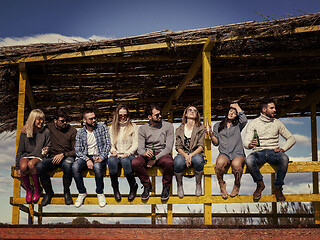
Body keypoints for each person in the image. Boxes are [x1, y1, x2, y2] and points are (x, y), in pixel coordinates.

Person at [244, 98, 296, 202]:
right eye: (271, 108)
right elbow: (245, 142)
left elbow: (292, 138)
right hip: (258, 152)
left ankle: (278, 188)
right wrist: (249, 144)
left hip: (274, 152)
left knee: (284, 159)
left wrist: (283, 149)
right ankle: (260, 184)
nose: (274, 110)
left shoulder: (277, 123)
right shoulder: (253, 123)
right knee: (249, 161)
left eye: (274, 108)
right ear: (264, 110)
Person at [132, 104, 174, 201]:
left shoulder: (168, 126)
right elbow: (140, 149)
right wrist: (145, 153)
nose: (160, 116)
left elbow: (168, 148)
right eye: (157, 115)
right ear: (149, 117)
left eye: (160, 114)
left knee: (169, 163)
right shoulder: (143, 129)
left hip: (162, 153)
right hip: (149, 153)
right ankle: (147, 185)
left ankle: (166, 187)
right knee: (135, 162)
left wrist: (155, 159)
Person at [36, 110, 77, 206]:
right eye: (62, 121)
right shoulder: (49, 127)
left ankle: (66, 191)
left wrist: (63, 155)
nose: (65, 123)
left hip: (66, 156)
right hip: (52, 157)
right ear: (55, 121)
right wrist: (26, 127)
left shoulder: (72, 131)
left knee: (68, 164)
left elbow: (76, 151)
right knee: (40, 166)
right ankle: (49, 192)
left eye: (66, 120)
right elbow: (36, 127)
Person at [206, 103, 247, 199]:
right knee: (219, 164)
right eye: (230, 111)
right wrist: (211, 135)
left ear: (237, 115)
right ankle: (221, 185)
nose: (231, 113)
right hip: (224, 153)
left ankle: (237, 185)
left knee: (236, 165)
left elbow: (244, 119)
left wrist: (237, 106)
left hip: (237, 153)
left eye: (234, 112)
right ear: (227, 112)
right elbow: (216, 143)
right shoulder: (218, 125)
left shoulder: (238, 125)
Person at [72, 108, 111, 208]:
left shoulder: (102, 127)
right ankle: (82, 192)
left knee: (98, 168)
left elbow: (107, 144)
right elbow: (78, 150)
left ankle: (100, 192)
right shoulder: (80, 132)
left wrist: (102, 157)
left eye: (94, 118)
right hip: (86, 156)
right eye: (90, 119)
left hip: (99, 155)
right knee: (75, 167)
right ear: (84, 120)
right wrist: (87, 159)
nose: (94, 120)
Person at [16, 109, 51, 204]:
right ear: (32, 120)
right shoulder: (25, 131)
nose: (41, 122)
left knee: (31, 164)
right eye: (38, 119)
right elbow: (20, 150)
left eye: (42, 119)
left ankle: (37, 189)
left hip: (39, 155)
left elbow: (48, 145)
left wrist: (46, 150)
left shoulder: (46, 131)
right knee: (23, 167)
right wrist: (17, 167)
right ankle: (28, 190)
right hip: (26, 155)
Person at [108, 104, 138, 202]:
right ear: (117, 115)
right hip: (117, 154)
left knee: (125, 161)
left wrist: (128, 153)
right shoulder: (112, 128)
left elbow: (136, 144)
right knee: (111, 161)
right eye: (120, 115)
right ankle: (115, 189)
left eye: (125, 115)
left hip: (129, 154)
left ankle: (133, 186)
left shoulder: (133, 127)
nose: (123, 117)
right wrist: (113, 150)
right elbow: (111, 143)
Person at [174, 106, 205, 198]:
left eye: (194, 111)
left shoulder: (200, 128)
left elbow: (201, 146)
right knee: (178, 162)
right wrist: (186, 156)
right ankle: (179, 185)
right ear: (186, 114)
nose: (192, 111)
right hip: (183, 153)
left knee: (199, 160)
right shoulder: (179, 129)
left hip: (196, 153)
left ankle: (198, 184)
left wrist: (190, 155)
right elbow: (178, 146)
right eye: (190, 110)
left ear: (196, 115)